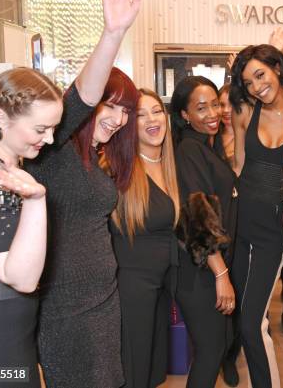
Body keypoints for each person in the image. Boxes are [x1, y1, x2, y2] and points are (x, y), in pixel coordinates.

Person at [25, 0, 143, 387]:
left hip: (104, 301)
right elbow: (82, 96)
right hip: (62, 309)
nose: (116, 119)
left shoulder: (100, 160)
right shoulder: (52, 147)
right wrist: (113, 33)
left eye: (124, 112)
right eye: (109, 107)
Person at [0, 68, 63, 388]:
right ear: (1, 119)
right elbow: (20, 277)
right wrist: (36, 201)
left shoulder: (0, 167)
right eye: (41, 128)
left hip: (9, 331)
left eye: (53, 128)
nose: (50, 139)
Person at [229, 43, 283, 388]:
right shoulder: (244, 112)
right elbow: (239, 164)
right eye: (249, 81)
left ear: (278, 69)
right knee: (246, 319)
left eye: (261, 75)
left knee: (251, 323)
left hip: (274, 228)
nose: (256, 86)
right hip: (241, 223)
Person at [109, 88, 180, 388]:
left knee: (152, 370)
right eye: (140, 115)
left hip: (162, 287)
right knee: (135, 369)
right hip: (132, 287)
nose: (152, 119)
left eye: (156, 111)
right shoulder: (119, 172)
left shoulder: (172, 166)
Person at [170, 75, 238, 388]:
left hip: (209, 268)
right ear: (184, 114)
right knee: (211, 351)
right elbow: (198, 217)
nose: (212, 113)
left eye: (215, 104)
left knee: (216, 347)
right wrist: (221, 274)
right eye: (201, 108)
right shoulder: (189, 150)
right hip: (200, 272)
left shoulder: (208, 147)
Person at [218, 83, 235, 164]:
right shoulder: (211, 135)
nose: (226, 110)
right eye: (222, 105)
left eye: (232, 105)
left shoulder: (251, 138)